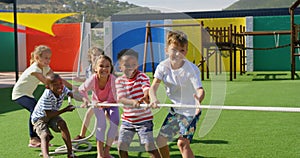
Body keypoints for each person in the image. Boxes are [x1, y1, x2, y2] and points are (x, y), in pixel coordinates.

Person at [149, 30, 205, 158]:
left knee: (182, 143)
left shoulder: (191, 69)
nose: (178, 54)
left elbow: (200, 90)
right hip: (175, 110)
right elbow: (153, 87)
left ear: (186, 51)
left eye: (182, 50)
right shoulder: (162, 67)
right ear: (166, 50)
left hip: (191, 111)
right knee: (160, 141)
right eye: (174, 49)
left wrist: (198, 99)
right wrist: (153, 98)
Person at [12, 45, 75, 148]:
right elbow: (48, 83)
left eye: (49, 58)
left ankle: (42, 138)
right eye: (45, 58)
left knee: (37, 110)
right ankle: (33, 138)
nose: (48, 60)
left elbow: (57, 79)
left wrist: (73, 88)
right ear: (37, 57)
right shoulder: (35, 69)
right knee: (35, 110)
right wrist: (64, 90)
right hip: (19, 94)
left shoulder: (45, 67)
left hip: (28, 94)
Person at [115, 49, 161, 158]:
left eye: (134, 64)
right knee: (121, 147)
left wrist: (146, 95)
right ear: (120, 67)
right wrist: (132, 102)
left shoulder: (142, 76)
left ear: (137, 65)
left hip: (144, 120)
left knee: (149, 146)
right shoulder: (119, 81)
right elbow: (121, 98)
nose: (131, 67)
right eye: (126, 65)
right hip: (127, 121)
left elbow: (146, 87)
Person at [78, 55, 119, 158]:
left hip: (112, 103)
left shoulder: (113, 79)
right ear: (95, 68)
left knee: (115, 122)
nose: (104, 69)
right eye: (101, 66)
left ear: (111, 68)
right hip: (97, 103)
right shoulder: (93, 78)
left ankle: (106, 152)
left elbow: (115, 95)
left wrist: (107, 103)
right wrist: (86, 100)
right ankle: (100, 154)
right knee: (101, 125)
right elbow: (81, 89)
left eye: (107, 66)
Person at [31, 73, 77, 158]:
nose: (59, 86)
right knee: (45, 136)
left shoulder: (63, 89)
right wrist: (65, 110)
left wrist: (85, 100)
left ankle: (70, 153)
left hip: (52, 113)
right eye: (55, 85)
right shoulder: (47, 95)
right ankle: (46, 156)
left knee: (62, 124)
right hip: (40, 118)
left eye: (60, 83)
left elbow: (71, 94)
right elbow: (49, 114)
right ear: (48, 87)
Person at [73, 47, 105, 140]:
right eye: (94, 55)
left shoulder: (103, 68)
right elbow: (89, 81)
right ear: (90, 57)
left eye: (99, 55)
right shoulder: (88, 69)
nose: (96, 57)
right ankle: (81, 135)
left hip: (104, 96)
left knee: (108, 115)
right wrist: (80, 80)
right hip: (96, 97)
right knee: (88, 114)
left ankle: (115, 136)